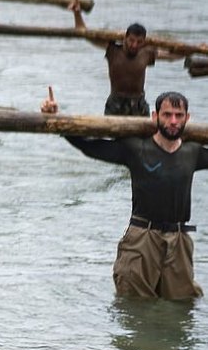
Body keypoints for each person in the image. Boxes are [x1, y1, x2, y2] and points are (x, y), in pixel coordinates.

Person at [41, 87, 208, 300]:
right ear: (155, 116)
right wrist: (57, 119)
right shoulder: (135, 149)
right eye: (167, 115)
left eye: (179, 116)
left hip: (179, 241)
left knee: (182, 306)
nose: (173, 121)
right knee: (133, 304)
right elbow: (90, 146)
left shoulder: (192, 153)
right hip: (142, 238)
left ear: (188, 118)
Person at [68, 0, 179, 116]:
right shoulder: (113, 49)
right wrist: (77, 13)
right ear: (125, 38)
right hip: (116, 103)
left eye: (139, 42)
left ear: (144, 42)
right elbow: (85, 34)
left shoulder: (146, 53)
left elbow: (171, 56)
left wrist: (194, 50)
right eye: (131, 40)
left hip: (138, 104)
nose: (134, 45)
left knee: (143, 134)